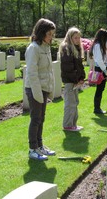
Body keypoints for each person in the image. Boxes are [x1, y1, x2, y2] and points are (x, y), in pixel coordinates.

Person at [25, 18, 56, 161]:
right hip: (34, 88)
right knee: (36, 119)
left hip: (43, 88)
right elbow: (32, 73)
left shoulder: (46, 47)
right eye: (49, 34)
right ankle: (33, 149)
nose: (52, 37)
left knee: (41, 118)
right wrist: (38, 94)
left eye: (52, 34)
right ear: (42, 33)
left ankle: (40, 146)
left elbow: (48, 71)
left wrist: (49, 89)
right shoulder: (34, 48)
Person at [59, 27, 85, 131]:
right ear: (70, 38)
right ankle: (68, 125)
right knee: (70, 103)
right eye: (75, 38)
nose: (78, 40)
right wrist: (75, 79)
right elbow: (68, 68)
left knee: (75, 102)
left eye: (79, 38)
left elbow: (79, 66)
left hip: (75, 81)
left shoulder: (76, 48)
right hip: (70, 81)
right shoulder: (66, 48)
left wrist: (82, 77)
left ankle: (73, 124)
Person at [90, 28, 107, 114]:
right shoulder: (97, 45)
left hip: (104, 67)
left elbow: (106, 59)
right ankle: (97, 108)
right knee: (99, 89)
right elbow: (99, 60)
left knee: (101, 88)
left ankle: (98, 107)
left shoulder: (101, 45)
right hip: (100, 69)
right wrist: (106, 71)